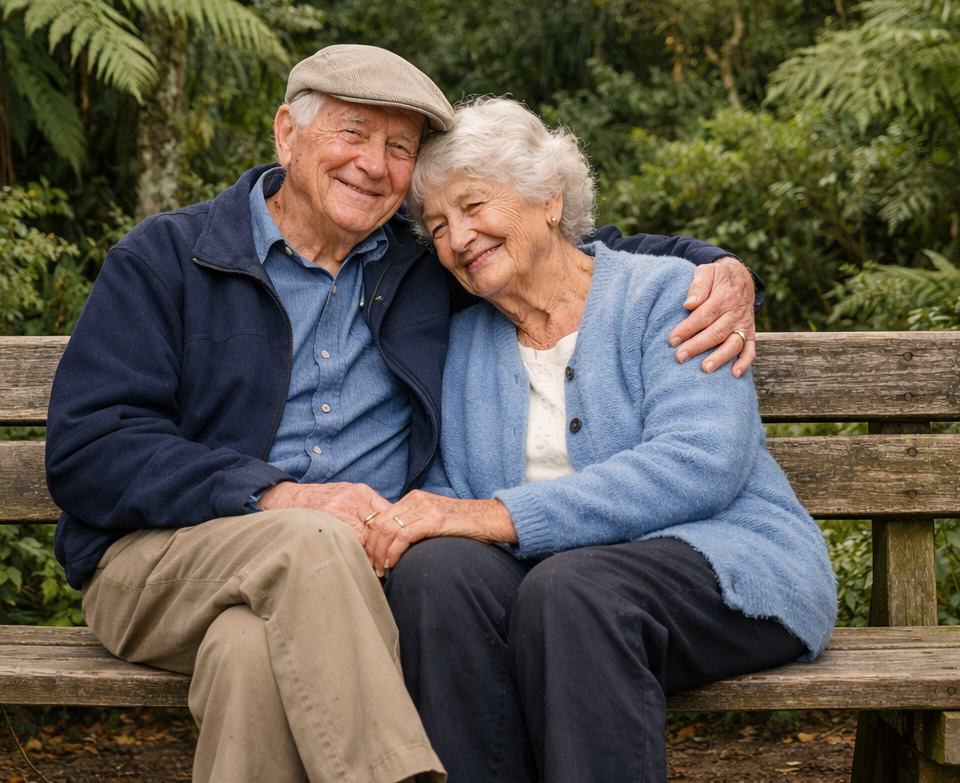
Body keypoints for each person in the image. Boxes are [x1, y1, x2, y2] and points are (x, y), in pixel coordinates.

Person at [45, 46, 765, 783]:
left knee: (248, 655)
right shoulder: (169, 258)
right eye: (352, 134)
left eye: (398, 148)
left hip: (343, 593)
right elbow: (88, 448)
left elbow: (558, 248)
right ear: (286, 133)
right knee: (311, 539)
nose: (374, 164)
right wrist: (275, 496)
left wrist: (721, 269)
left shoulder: (419, 262)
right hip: (169, 562)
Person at [368, 98, 838, 783]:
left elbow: (700, 464)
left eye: (473, 207)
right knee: (436, 576)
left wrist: (496, 517)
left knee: (572, 590)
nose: (457, 237)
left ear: (548, 200)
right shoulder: (463, 342)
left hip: (723, 567)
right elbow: (447, 488)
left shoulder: (670, 297)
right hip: (548, 594)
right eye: (437, 225)